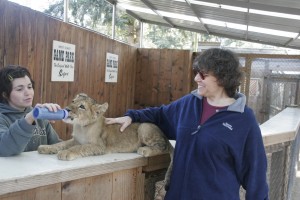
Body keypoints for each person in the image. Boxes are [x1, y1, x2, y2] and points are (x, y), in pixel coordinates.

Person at [106, 48, 269, 200]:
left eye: (203, 75)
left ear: (222, 77)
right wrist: (132, 116)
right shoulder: (189, 103)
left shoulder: (243, 119)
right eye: (196, 73)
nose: (196, 78)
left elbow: (255, 175)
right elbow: (160, 115)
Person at [0, 65, 61, 156]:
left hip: (42, 170)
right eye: (20, 89)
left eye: (29, 87)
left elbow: (56, 146)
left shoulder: (39, 115)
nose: (28, 93)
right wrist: (30, 118)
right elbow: (4, 148)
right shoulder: (2, 117)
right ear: (5, 95)